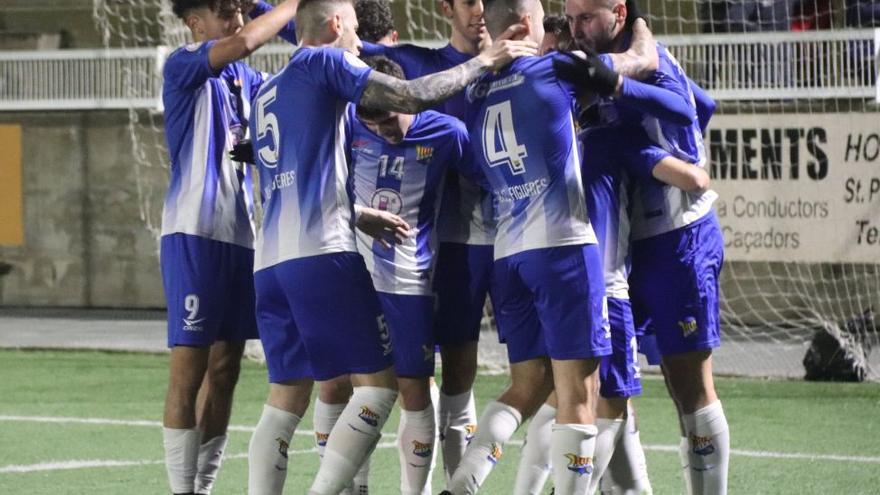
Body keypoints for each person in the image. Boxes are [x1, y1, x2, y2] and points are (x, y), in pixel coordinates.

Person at [244, 1, 536, 493]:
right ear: (336, 24)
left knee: (284, 399)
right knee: (379, 388)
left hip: (269, 262)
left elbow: (286, 181)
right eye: (356, 32)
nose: (360, 45)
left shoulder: (268, 89)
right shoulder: (326, 62)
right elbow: (410, 94)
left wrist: (359, 214)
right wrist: (487, 61)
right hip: (322, 254)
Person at [567, 0, 729, 493]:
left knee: (689, 387)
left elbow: (687, 106)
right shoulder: (604, 57)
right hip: (628, 246)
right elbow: (709, 105)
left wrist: (665, 154)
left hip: (678, 239)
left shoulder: (648, 58)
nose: (578, 30)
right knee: (610, 382)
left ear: (618, 11)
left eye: (586, 18)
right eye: (571, 19)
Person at [160, 1, 298, 494]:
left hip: (242, 238)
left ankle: (205, 485)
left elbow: (305, 46)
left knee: (226, 369)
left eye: (240, 9)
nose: (236, 18)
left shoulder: (250, 83)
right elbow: (243, 42)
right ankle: (182, 491)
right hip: (192, 233)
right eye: (224, 10)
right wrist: (289, 3)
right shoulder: (183, 63)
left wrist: (267, 7)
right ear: (196, 23)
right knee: (190, 370)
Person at [349, 55, 476, 495]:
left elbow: (484, 184)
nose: (385, 131)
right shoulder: (348, 126)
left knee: (414, 389)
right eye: (376, 125)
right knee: (339, 387)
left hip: (410, 280)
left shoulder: (447, 134)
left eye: (390, 120)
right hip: (353, 275)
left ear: (408, 99)